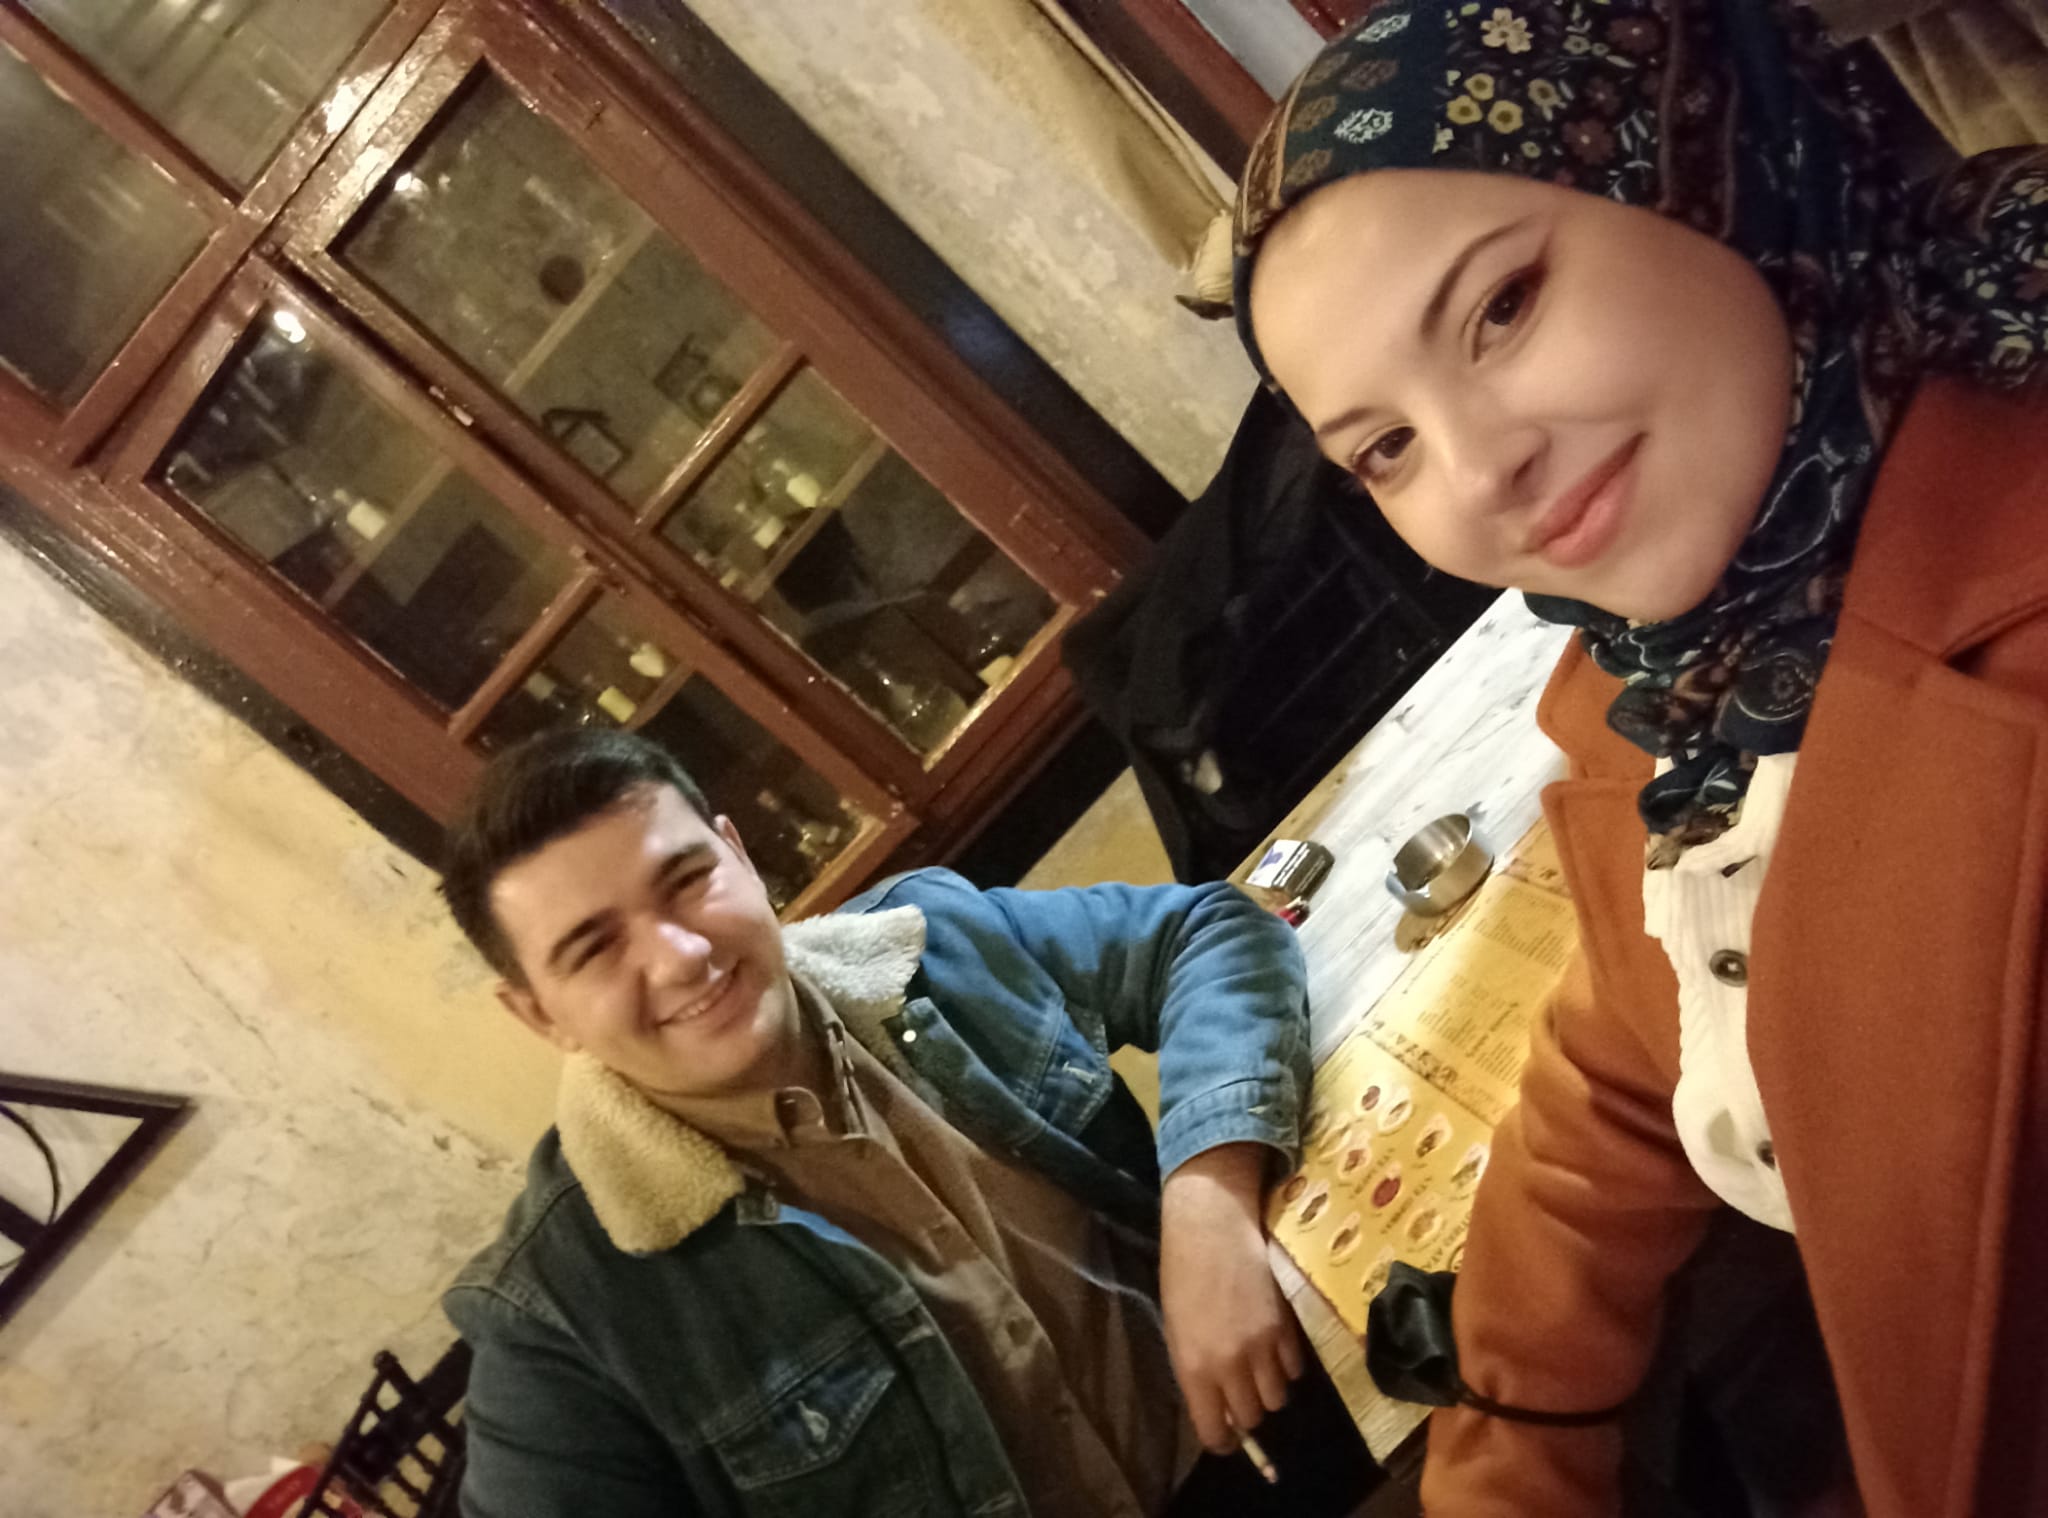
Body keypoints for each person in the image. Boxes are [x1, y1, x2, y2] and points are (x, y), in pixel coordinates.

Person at [1227, 2, 2048, 1515]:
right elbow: (1629, 1042)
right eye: (1383, 448)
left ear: (1706, 161)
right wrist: (1509, 1439)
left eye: (1502, 306)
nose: (1480, 471)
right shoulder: (1674, 693)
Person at [433, 728, 1341, 1517]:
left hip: (1289, 1427)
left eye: (686, 881)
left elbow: (1208, 933)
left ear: (738, 855)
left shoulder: (927, 938)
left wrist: (1209, 1197)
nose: (679, 956)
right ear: (539, 1015)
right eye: (595, 948)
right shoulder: (558, 1320)